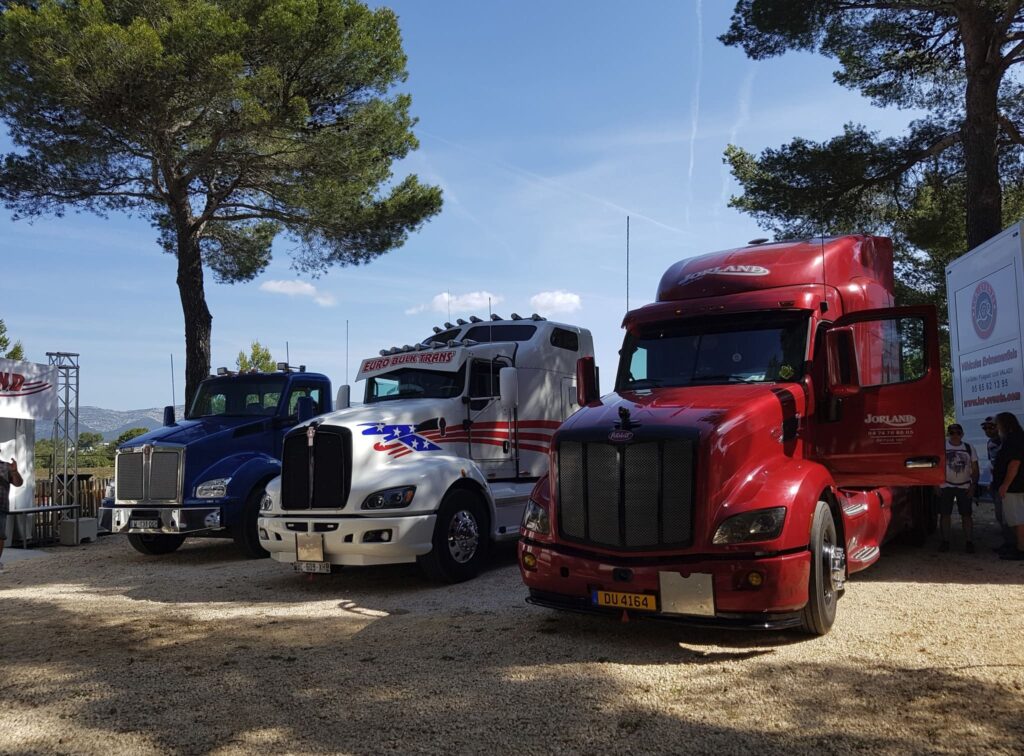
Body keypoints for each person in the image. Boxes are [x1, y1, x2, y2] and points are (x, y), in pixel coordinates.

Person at [938, 423, 978, 552]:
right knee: (945, 514)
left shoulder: (968, 447)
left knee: (966, 515)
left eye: (958, 433)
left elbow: (975, 468)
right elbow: (936, 465)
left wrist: (973, 486)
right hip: (945, 485)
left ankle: (969, 541)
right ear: (948, 434)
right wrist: (935, 485)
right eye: (952, 432)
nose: (955, 435)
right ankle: (945, 541)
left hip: (964, 486)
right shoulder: (941, 447)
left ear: (962, 434)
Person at [993, 411, 1024, 560]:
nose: (997, 427)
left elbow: (1014, 463)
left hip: (1015, 487)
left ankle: (1020, 549)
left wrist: (1005, 484)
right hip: (1017, 486)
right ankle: (1016, 545)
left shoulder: (1013, 439)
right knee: (1017, 518)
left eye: (998, 424)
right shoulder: (1018, 437)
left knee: (1017, 519)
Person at [982, 416, 1015, 552]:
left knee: (1011, 516)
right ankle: (1008, 543)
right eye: (985, 428)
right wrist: (991, 481)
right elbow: (992, 465)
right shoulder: (990, 443)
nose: (988, 430)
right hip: (996, 484)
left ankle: (1015, 545)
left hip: (1009, 485)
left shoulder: (1007, 441)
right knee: (1000, 516)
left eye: (991, 427)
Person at [0, 456, 25, 570]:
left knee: (0, 536)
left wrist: (14, 472)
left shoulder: (6, 467)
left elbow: (18, 483)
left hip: (1, 505)